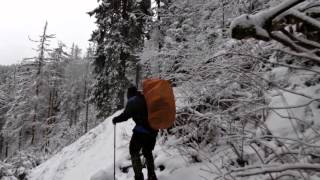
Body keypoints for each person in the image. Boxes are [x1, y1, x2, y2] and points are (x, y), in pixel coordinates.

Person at [112, 86, 158, 180]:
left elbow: (125, 116)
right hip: (153, 131)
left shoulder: (133, 101)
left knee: (133, 150)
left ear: (129, 94)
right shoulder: (144, 98)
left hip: (142, 130)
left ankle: (138, 176)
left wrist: (115, 119)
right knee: (147, 152)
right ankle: (152, 176)